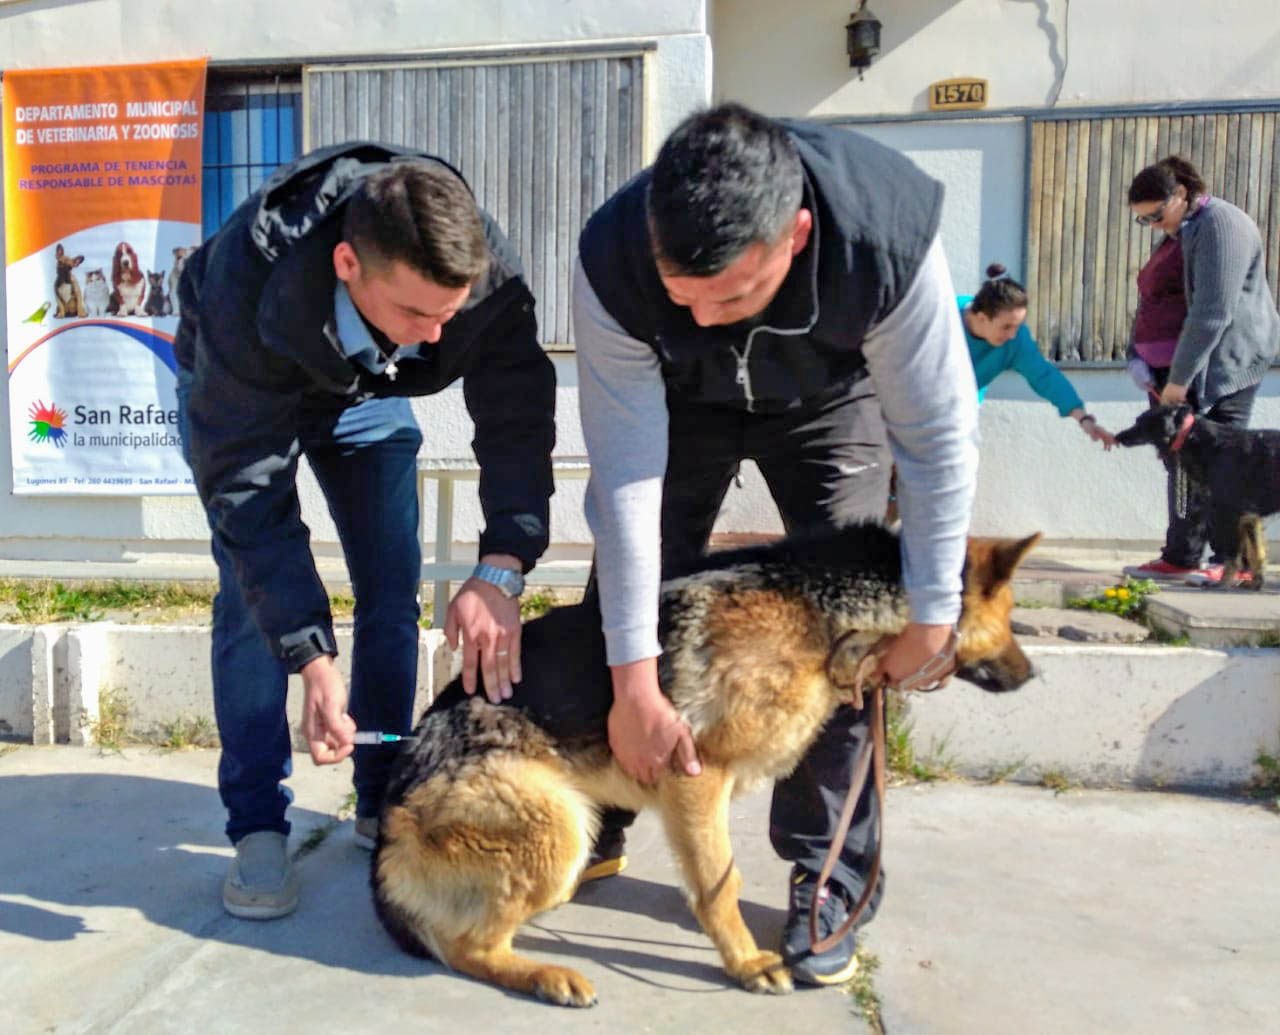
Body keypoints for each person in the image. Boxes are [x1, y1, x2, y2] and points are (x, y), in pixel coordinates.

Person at [572, 103, 979, 985]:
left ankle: (826, 871)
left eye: (736, 294)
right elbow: (626, 484)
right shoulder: (612, 260)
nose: (712, 318)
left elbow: (940, 438)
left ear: (796, 236)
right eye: (689, 299)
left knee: (843, 636)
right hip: (680, 406)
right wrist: (634, 680)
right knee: (627, 584)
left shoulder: (887, 234)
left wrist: (935, 612)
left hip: (832, 400)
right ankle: (607, 795)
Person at [174, 142, 556, 919]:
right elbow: (248, 492)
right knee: (253, 604)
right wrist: (311, 655)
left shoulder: (478, 271)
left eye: (451, 314)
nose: (440, 340)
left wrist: (504, 562)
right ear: (348, 262)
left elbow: (516, 410)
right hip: (254, 382)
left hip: (367, 391)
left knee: (391, 582)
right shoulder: (242, 289)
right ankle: (256, 824)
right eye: (418, 314)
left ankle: (382, 796)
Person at [1122, 155, 1279, 586]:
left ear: (1181, 195)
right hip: (1178, 371)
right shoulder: (1184, 228)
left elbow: (1213, 313)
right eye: (1143, 221)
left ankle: (1237, 564)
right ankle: (1182, 556)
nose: (1152, 226)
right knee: (1185, 467)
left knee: (1229, 472)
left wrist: (1178, 382)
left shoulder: (1221, 226)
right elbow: (1155, 300)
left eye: (1155, 215)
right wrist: (1137, 355)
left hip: (1223, 366)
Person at [961, 263, 1116, 448]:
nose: (1012, 335)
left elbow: (1044, 376)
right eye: (1006, 327)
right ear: (981, 318)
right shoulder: (942, 316)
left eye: (1017, 326)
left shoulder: (1016, 341)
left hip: (961, 407)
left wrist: (1083, 418)